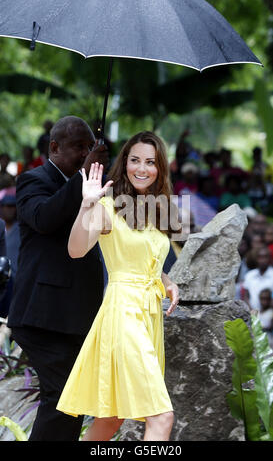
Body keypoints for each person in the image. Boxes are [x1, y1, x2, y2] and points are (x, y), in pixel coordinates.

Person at [57, 131, 180, 441]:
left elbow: (143, 254)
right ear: (125, 163)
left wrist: (166, 281)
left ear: (159, 168)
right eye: (135, 160)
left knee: (110, 420)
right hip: (124, 313)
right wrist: (87, 206)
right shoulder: (108, 207)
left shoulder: (157, 209)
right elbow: (75, 249)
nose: (142, 168)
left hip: (149, 314)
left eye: (150, 162)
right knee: (161, 416)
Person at [7, 115, 109, 441]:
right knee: (63, 396)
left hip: (75, 316)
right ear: (54, 147)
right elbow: (44, 217)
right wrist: (82, 180)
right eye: (78, 147)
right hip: (42, 316)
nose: (84, 153)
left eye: (89, 147)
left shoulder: (93, 185)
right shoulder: (33, 180)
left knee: (73, 399)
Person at [243, 247, 273, 311]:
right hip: (252, 314)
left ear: (270, 258)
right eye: (260, 257)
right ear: (256, 259)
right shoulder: (249, 275)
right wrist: (250, 310)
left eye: (265, 257)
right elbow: (246, 296)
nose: (263, 260)